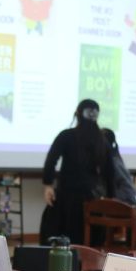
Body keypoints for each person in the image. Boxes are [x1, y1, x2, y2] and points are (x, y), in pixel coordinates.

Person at [41, 99, 115, 245]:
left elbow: (51, 161)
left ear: (78, 114)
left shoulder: (66, 136)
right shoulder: (103, 141)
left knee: (51, 231)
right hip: (92, 200)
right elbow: (110, 174)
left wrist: (48, 185)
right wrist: (110, 200)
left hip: (66, 198)